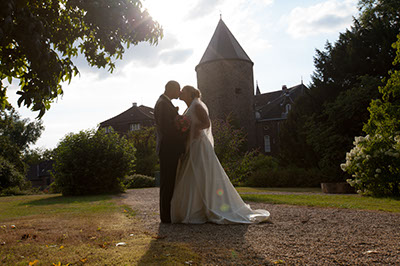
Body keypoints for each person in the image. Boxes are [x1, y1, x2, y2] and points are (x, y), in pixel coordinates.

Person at [171, 85, 270, 224]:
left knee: (201, 173)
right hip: (192, 144)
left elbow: (206, 123)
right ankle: (196, 208)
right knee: (193, 173)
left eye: (184, 91)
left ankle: (205, 207)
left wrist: (190, 127)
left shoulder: (197, 105)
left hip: (199, 145)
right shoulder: (188, 107)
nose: (181, 93)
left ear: (191, 94)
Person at [154, 80, 186, 223]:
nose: (179, 93)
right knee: (167, 182)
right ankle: (166, 217)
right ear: (171, 89)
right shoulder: (162, 104)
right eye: (178, 89)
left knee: (170, 181)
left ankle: (167, 215)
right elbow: (167, 129)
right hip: (168, 148)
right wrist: (182, 133)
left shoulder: (164, 103)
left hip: (169, 148)